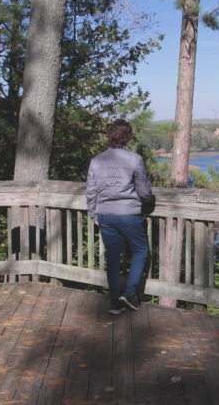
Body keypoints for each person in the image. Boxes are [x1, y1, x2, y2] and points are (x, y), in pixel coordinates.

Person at [86, 119, 154, 315]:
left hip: (104, 215)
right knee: (141, 251)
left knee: (113, 257)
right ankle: (130, 294)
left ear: (110, 136)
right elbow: (144, 192)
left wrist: (94, 214)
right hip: (128, 214)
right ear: (128, 137)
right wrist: (150, 200)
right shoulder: (135, 159)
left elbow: (91, 192)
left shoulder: (96, 161)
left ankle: (115, 303)